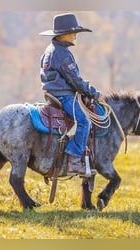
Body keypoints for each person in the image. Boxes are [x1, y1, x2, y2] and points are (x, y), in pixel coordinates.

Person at [39, 13, 101, 176]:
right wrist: (93, 92)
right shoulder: (62, 54)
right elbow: (74, 80)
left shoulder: (50, 50)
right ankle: (74, 160)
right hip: (63, 95)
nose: (75, 36)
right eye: (73, 33)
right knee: (84, 122)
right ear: (64, 34)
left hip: (52, 93)